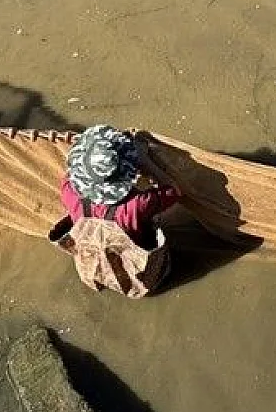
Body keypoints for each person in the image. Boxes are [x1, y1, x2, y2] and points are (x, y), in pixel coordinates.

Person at [49, 125, 180, 297]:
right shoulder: (137, 204)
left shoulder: (69, 192)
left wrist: (89, 156)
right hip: (139, 277)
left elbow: (70, 173)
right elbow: (173, 190)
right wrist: (145, 161)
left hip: (96, 269)